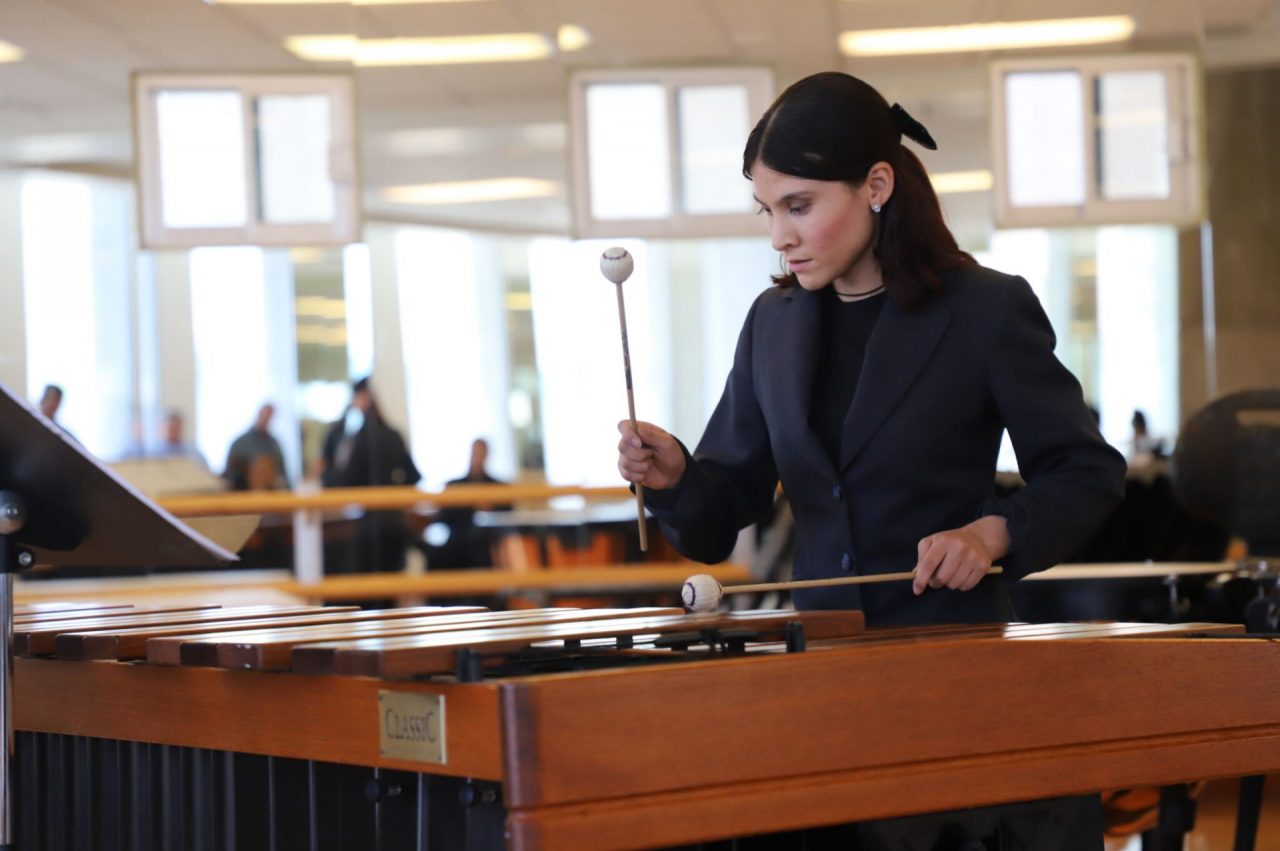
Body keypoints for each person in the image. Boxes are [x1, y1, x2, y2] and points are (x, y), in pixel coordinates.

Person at [617, 72, 1127, 630]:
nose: (779, 237)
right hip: (824, 652)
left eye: (799, 206)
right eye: (768, 210)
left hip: (956, 647)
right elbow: (721, 518)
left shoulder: (987, 309)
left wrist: (991, 534)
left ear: (877, 186)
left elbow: (1086, 473)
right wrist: (676, 481)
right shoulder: (771, 323)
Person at [320, 378, 421, 572]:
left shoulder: (358, 441)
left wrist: (327, 471)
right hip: (395, 521)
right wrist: (396, 494)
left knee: (368, 579)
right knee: (393, 580)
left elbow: (344, 481)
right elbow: (414, 476)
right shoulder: (393, 435)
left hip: (368, 525)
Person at [427, 438, 509, 569]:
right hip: (459, 540)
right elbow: (443, 518)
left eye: (481, 453)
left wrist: (489, 509)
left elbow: (507, 517)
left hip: (488, 541)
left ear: (487, 455)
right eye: (475, 453)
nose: (478, 458)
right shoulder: (454, 486)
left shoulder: (499, 487)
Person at [223, 403, 290, 491]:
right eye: (264, 416)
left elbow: (283, 474)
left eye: (269, 417)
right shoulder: (240, 444)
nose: (266, 420)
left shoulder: (274, 445)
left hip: (271, 494)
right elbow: (229, 476)